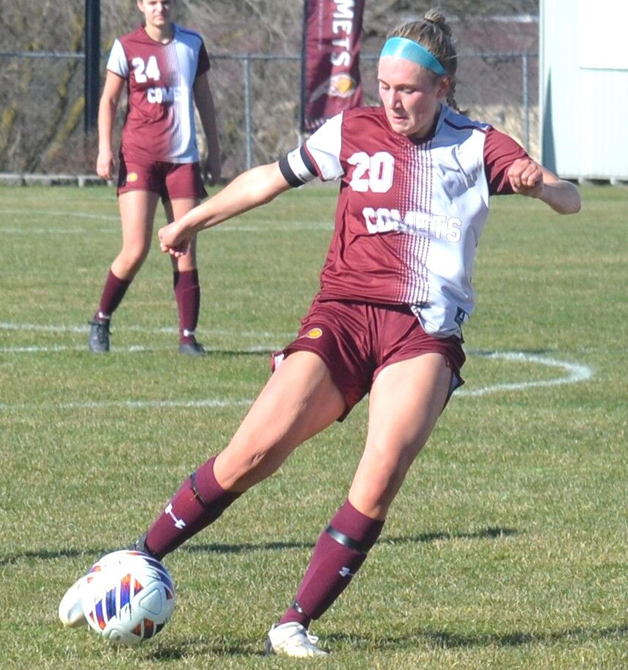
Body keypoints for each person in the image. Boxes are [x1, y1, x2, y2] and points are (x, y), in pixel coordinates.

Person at [58, 9, 581, 657]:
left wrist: (544, 187)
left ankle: (293, 623)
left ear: (443, 88)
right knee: (251, 454)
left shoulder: (477, 144)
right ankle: (127, 562)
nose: (393, 99)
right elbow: (270, 180)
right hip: (341, 317)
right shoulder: (355, 129)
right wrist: (195, 221)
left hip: (423, 334)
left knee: (380, 471)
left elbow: (569, 195)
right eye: (385, 84)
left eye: (410, 89)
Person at [88, 0, 221, 356]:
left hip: (182, 160)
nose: (159, 8)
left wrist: (215, 150)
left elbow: (204, 99)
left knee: (185, 250)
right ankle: (101, 319)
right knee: (135, 249)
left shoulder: (191, 43)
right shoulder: (126, 46)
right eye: (152, 2)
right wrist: (105, 148)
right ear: (140, 6)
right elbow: (109, 100)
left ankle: (187, 338)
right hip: (140, 158)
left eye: (165, 1)